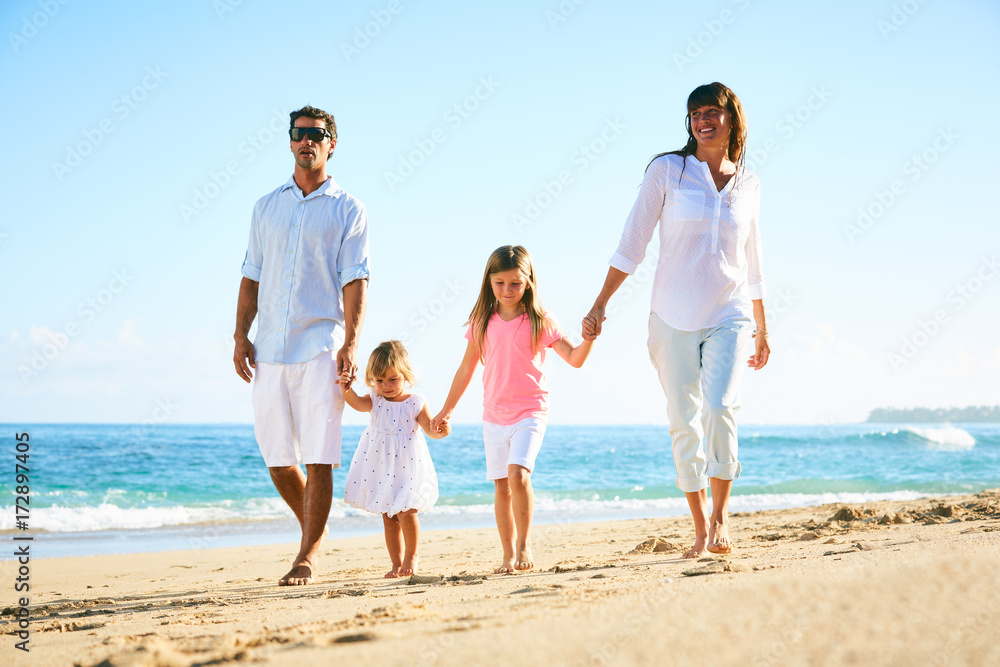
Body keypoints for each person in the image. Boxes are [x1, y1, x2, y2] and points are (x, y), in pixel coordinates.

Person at [583, 82, 770, 559]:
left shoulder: (749, 183)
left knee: (721, 407)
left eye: (712, 111)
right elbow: (633, 241)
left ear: (732, 118)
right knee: (683, 422)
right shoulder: (668, 170)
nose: (702, 120)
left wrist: (763, 326)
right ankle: (700, 524)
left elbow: (753, 258)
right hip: (670, 316)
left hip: (729, 314)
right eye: (695, 114)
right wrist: (601, 301)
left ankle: (723, 517)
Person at [233, 105, 369, 586]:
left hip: (320, 344)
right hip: (268, 346)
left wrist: (351, 344)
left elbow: (356, 280)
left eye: (317, 134)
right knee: (276, 455)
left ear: (332, 142)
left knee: (319, 453)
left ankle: (307, 553)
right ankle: (317, 524)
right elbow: (251, 275)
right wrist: (239, 335)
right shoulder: (265, 207)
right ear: (290, 141)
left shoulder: (347, 208)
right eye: (299, 133)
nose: (306, 140)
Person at [431, 245, 594, 573]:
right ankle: (507, 555)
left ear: (529, 282)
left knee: (518, 475)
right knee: (501, 486)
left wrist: (590, 338)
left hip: (531, 411)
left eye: (515, 283)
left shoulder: (540, 321)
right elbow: (466, 369)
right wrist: (445, 410)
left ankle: (524, 545)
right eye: (500, 283)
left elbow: (574, 359)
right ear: (489, 282)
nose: (507, 290)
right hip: (494, 416)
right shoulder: (481, 321)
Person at [341, 341, 449, 578]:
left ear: (406, 375)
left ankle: (412, 556)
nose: (385, 386)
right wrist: (346, 390)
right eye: (379, 381)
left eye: (392, 379)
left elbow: (430, 430)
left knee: (407, 513)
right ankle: (396, 563)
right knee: (389, 517)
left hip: (407, 466)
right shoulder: (375, 399)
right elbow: (357, 404)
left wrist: (442, 430)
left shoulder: (415, 402)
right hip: (380, 466)